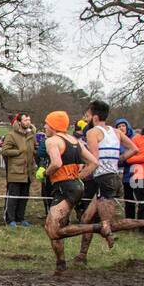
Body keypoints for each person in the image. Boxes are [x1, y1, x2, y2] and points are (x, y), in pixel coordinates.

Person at [74, 100, 144, 264]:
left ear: (94, 117)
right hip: (113, 178)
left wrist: (78, 176)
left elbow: (94, 161)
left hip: (103, 179)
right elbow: (134, 149)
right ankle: (82, 256)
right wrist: (118, 159)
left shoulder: (93, 133)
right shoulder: (115, 131)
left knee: (108, 225)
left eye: (88, 115)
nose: (87, 119)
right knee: (86, 220)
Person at [41, 111, 109, 275]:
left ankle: (97, 227)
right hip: (74, 186)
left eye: (46, 123)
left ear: (53, 126)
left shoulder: (52, 141)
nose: (44, 127)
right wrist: (79, 177)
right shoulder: (75, 141)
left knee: (52, 229)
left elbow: (56, 163)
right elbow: (93, 162)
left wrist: (45, 173)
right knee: (56, 227)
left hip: (65, 188)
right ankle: (60, 263)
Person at [0, 113, 36, 226]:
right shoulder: (12, 135)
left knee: (24, 196)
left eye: (29, 119)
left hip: (27, 171)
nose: (28, 122)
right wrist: (18, 152)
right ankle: (10, 219)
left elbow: (34, 148)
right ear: (19, 122)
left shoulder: (31, 135)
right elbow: (4, 150)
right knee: (13, 196)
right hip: (15, 171)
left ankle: (21, 218)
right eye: (25, 120)